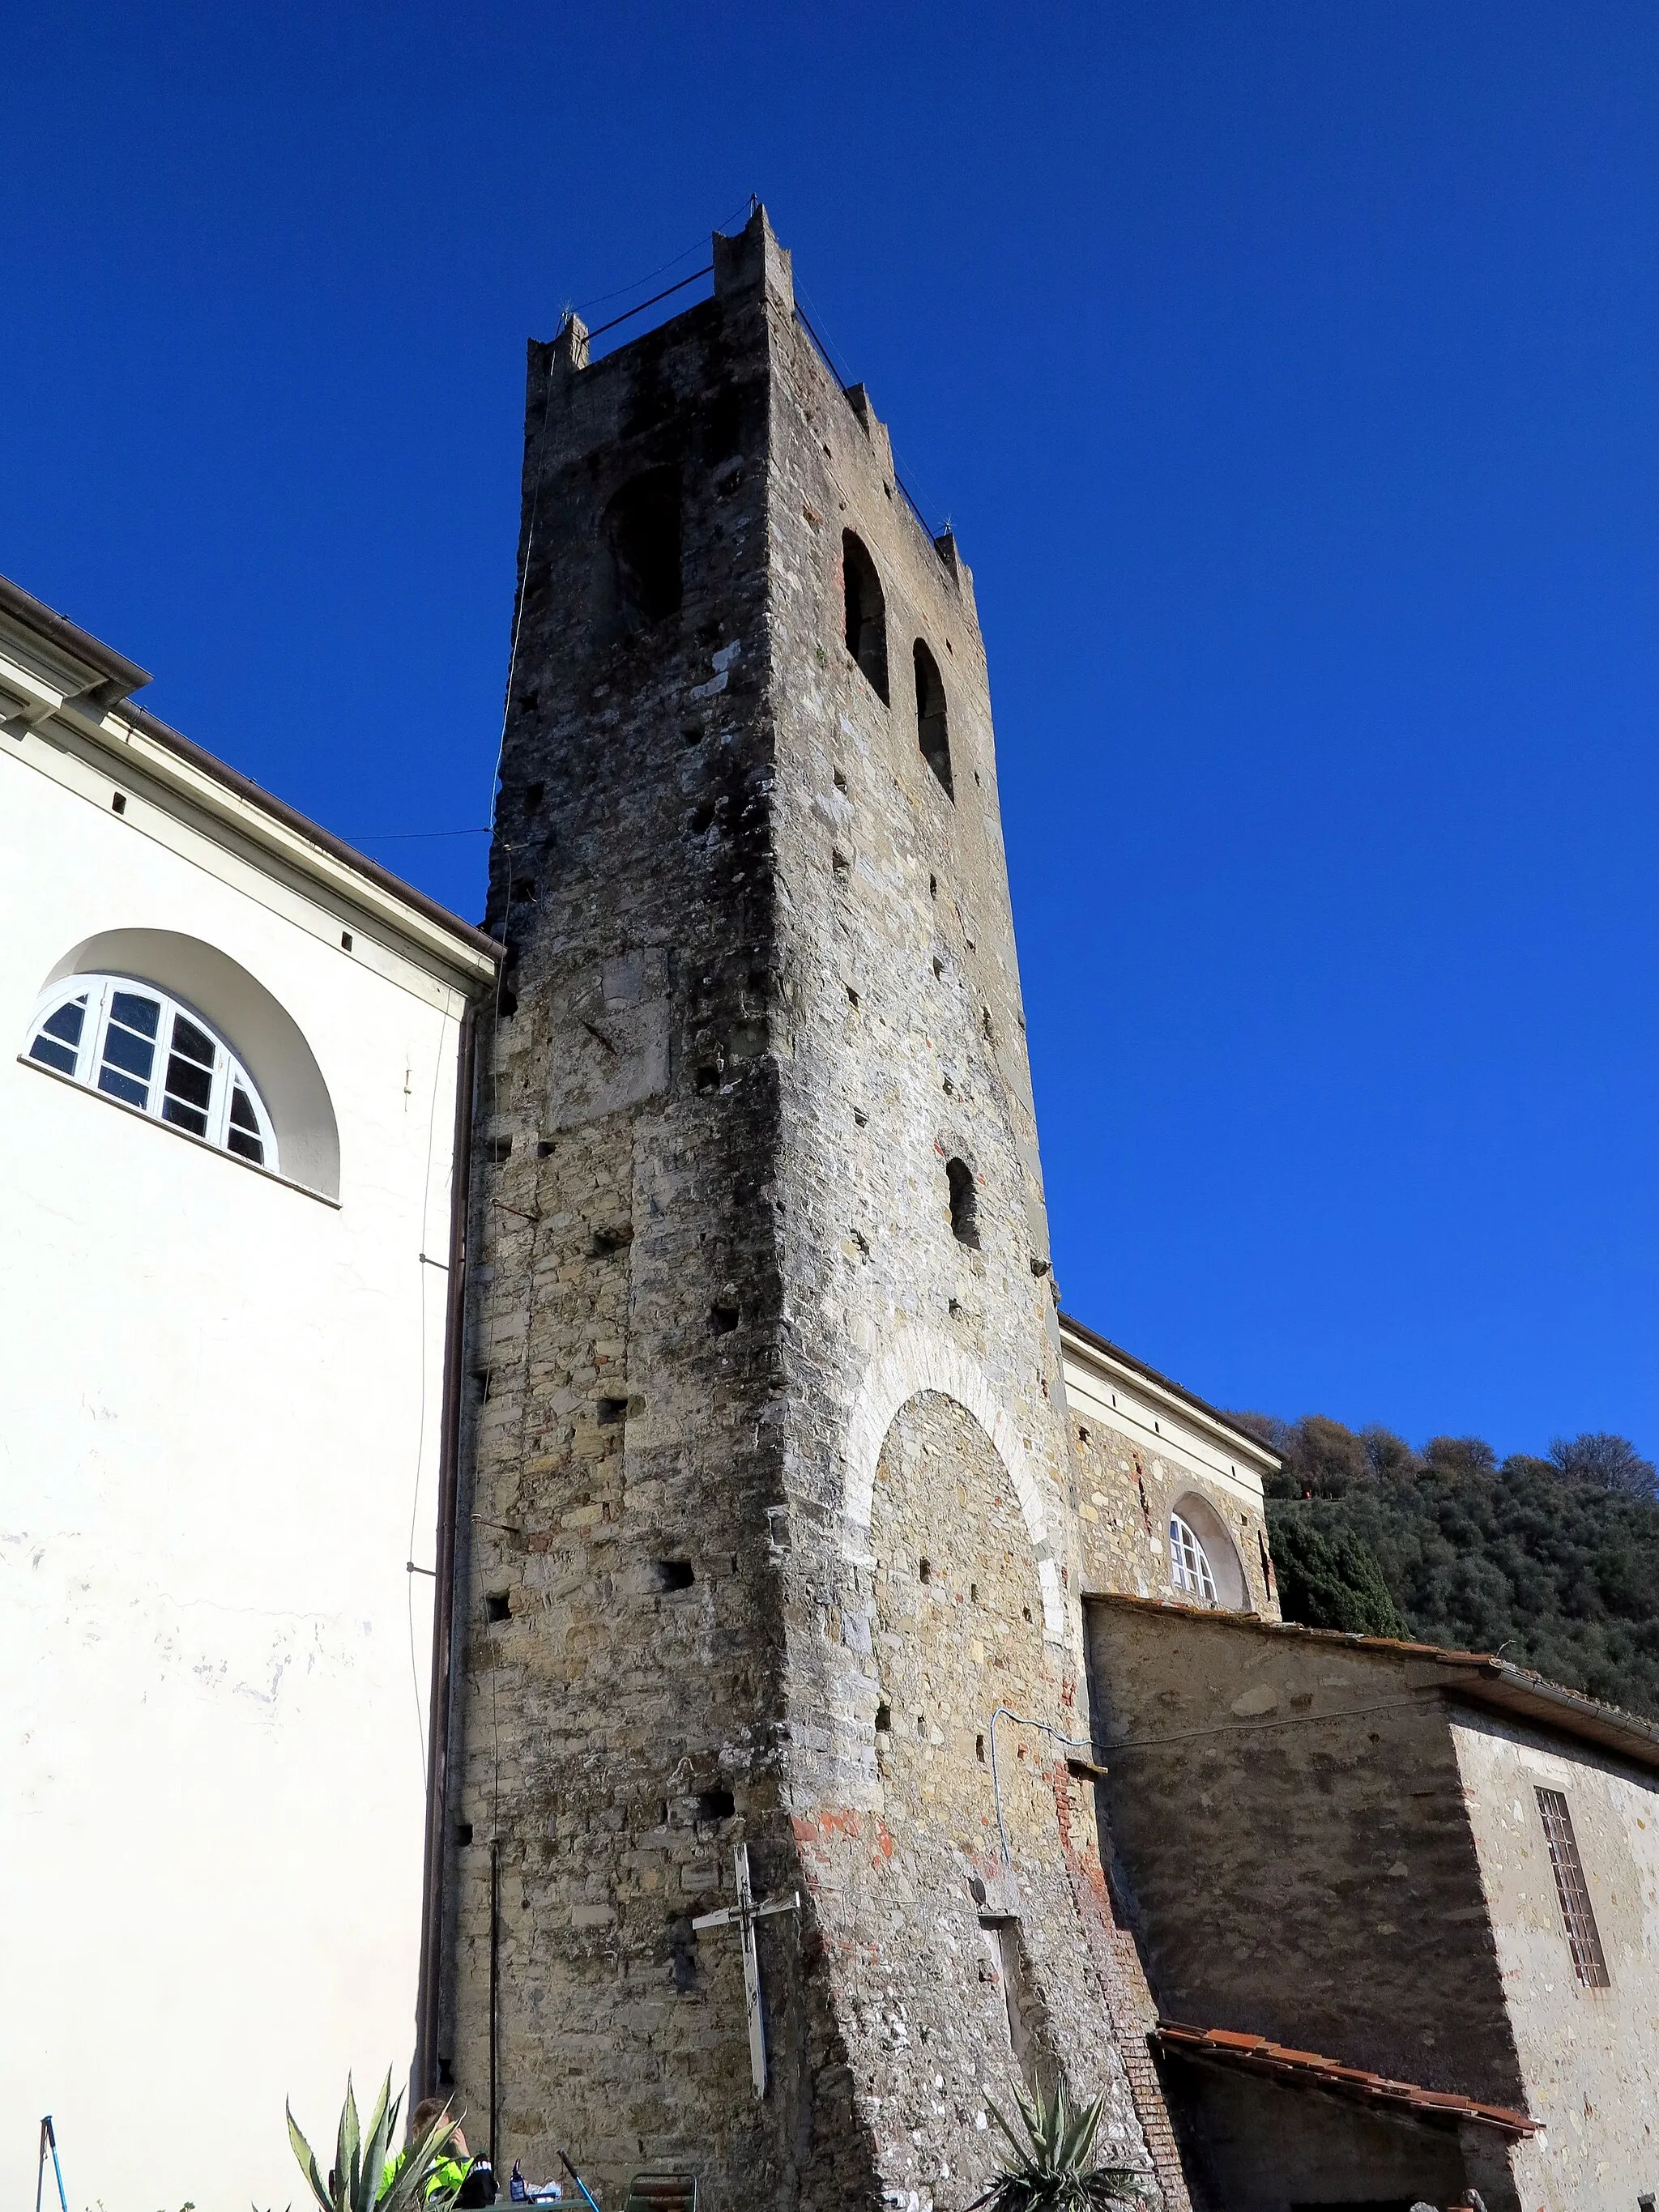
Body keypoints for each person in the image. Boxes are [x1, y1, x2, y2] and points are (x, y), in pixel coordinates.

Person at [387, 2099, 497, 2208]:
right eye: (435, 2131)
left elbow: (473, 2196)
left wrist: (465, 2157)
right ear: (416, 2132)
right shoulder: (392, 2170)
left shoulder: (448, 2168)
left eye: (445, 2133)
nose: (440, 2138)